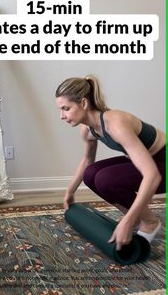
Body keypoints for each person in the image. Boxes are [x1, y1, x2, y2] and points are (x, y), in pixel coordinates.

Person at [55, 75, 165, 251]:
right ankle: (135, 217)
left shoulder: (115, 124)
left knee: (106, 179)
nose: (62, 116)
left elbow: (152, 175)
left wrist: (127, 222)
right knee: (91, 174)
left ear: (83, 103)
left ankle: (149, 222)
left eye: (66, 108)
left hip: (162, 163)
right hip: (150, 161)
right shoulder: (87, 129)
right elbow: (87, 161)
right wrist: (70, 192)